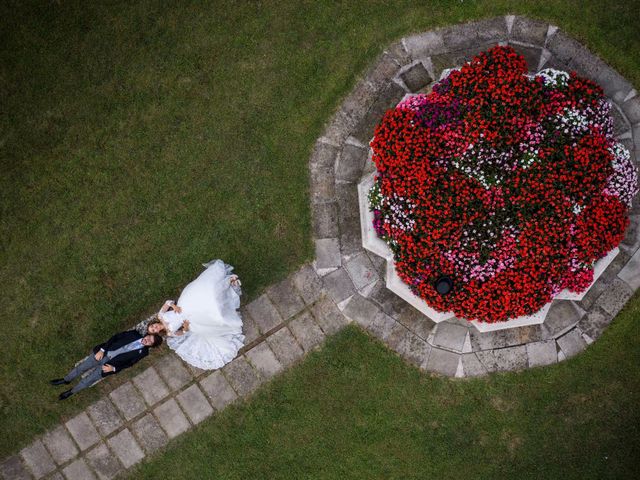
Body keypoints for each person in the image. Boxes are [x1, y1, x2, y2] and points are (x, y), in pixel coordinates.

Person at [159, 259, 244, 370]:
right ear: (158, 333)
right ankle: (231, 287)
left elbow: (168, 302)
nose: (155, 328)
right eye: (154, 330)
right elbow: (183, 332)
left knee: (207, 292)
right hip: (190, 319)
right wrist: (185, 327)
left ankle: (228, 281)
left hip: (183, 305)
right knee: (215, 310)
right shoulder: (170, 333)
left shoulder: (160, 316)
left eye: (153, 327)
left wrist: (174, 306)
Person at [50, 330, 163, 400]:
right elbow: (115, 338)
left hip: (108, 366)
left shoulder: (143, 352)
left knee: (88, 381)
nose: (147, 340)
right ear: (148, 334)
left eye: (150, 342)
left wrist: (113, 368)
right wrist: (102, 350)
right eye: (149, 337)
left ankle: (71, 392)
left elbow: (130, 364)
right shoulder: (134, 334)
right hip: (103, 354)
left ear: (151, 346)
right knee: (82, 367)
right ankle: (66, 379)